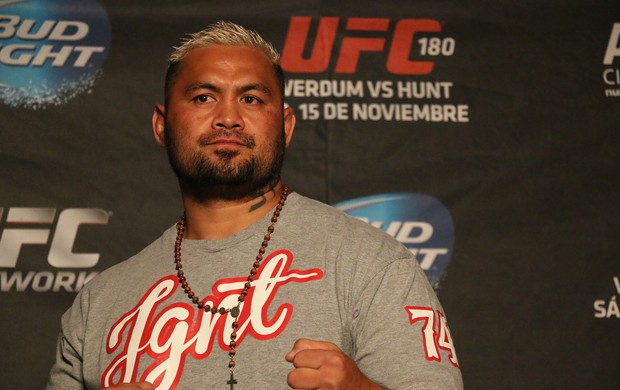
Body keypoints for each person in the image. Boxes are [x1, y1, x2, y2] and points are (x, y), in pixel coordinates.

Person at [46, 21, 463, 390]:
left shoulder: (369, 263)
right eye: (204, 97)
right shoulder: (99, 304)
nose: (228, 117)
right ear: (161, 124)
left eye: (251, 99)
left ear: (285, 126)